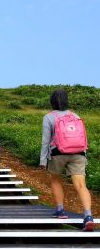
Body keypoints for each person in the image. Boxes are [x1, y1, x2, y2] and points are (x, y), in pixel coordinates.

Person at [40, 89, 94, 231]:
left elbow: (46, 141)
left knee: (56, 180)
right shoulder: (75, 115)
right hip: (78, 153)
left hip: (58, 153)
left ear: (52, 101)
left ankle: (60, 210)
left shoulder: (49, 117)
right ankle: (88, 215)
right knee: (81, 185)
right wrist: (84, 153)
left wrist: (43, 160)